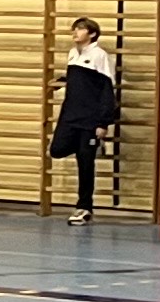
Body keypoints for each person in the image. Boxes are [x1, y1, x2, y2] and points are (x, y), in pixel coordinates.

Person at [49, 18, 120, 225]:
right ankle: (86, 146)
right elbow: (80, 80)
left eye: (80, 29)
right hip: (70, 116)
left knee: (85, 164)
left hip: (90, 120)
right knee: (56, 149)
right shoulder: (72, 53)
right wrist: (63, 81)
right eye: (74, 29)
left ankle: (84, 207)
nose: (75, 32)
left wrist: (103, 123)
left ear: (92, 34)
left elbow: (106, 89)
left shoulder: (100, 55)